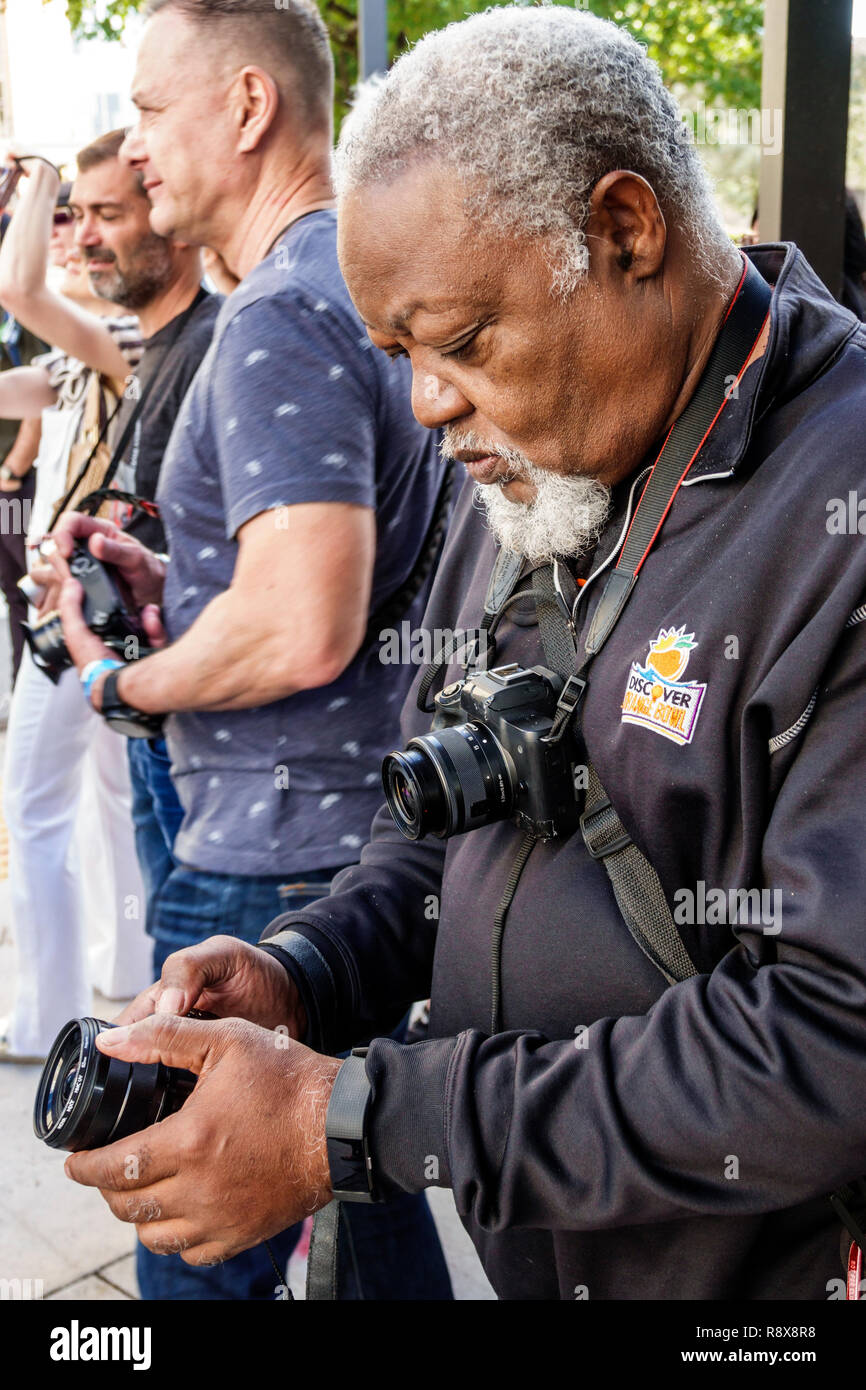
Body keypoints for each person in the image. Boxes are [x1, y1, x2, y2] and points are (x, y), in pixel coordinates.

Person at [63, 5, 866, 1302]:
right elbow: (438, 831)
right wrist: (303, 969)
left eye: (460, 341)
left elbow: (832, 1037)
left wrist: (363, 1118)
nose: (430, 405)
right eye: (398, 358)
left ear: (623, 229)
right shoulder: (533, 467)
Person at [48, 0, 452, 1301]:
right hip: (356, 861)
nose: (139, 145)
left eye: (155, 109)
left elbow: (302, 618)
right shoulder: (353, 281)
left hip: (270, 877)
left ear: (245, 105)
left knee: (190, 1239)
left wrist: (123, 682)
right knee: (355, 1203)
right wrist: (179, 581)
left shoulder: (275, 312)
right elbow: (330, 572)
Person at [0, 129, 217, 1058]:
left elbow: (17, 293)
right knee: (100, 807)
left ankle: (44, 1018)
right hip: (101, 616)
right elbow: (20, 386)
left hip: (85, 618)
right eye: (70, 221)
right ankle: (120, 968)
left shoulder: (122, 338)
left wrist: (38, 173)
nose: (76, 240)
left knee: (32, 808)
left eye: (97, 219)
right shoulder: (84, 356)